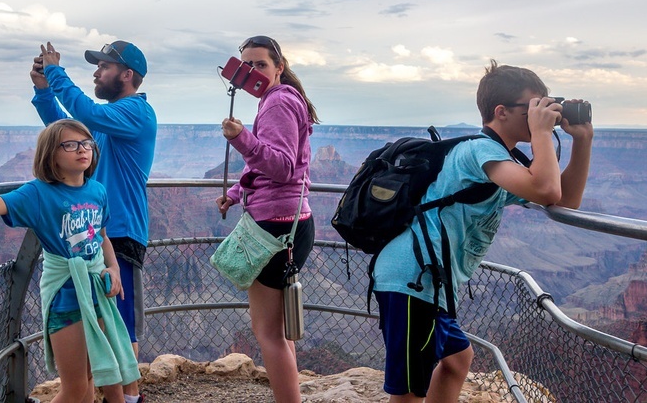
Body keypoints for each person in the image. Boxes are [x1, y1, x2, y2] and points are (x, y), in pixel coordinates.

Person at [372, 60, 594, 402]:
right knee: (408, 394)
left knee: (459, 361)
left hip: (432, 284)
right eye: (532, 107)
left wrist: (583, 142)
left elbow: (564, 200)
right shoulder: (480, 151)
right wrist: (542, 134)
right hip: (412, 279)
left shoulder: (504, 161)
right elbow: (547, 189)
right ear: (501, 111)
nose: (540, 114)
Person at [0, 119, 139, 403]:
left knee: (91, 379)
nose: (82, 149)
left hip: (98, 294)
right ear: (50, 154)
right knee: (75, 387)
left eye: (86, 143)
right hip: (66, 299)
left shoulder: (98, 191)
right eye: (70, 145)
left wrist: (113, 268)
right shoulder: (39, 193)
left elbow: (103, 237)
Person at [30, 40, 156, 403]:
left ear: (127, 75)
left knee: (121, 325)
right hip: (91, 232)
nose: (97, 73)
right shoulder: (105, 123)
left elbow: (83, 109)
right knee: (100, 323)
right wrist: (43, 92)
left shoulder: (136, 112)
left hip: (119, 234)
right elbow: (65, 133)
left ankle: (131, 398)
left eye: (104, 67)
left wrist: (55, 72)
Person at [215, 35, 319, 403]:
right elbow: (271, 168)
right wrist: (234, 193)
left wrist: (241, 136)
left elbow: (281, 166)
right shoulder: (283, 99)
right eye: (247, 66)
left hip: (275, 227)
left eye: (261, 64)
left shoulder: (277, 102)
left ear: (279, 66)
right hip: (291, 222)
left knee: (268, 333)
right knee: (280, 331)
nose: (253, 72)